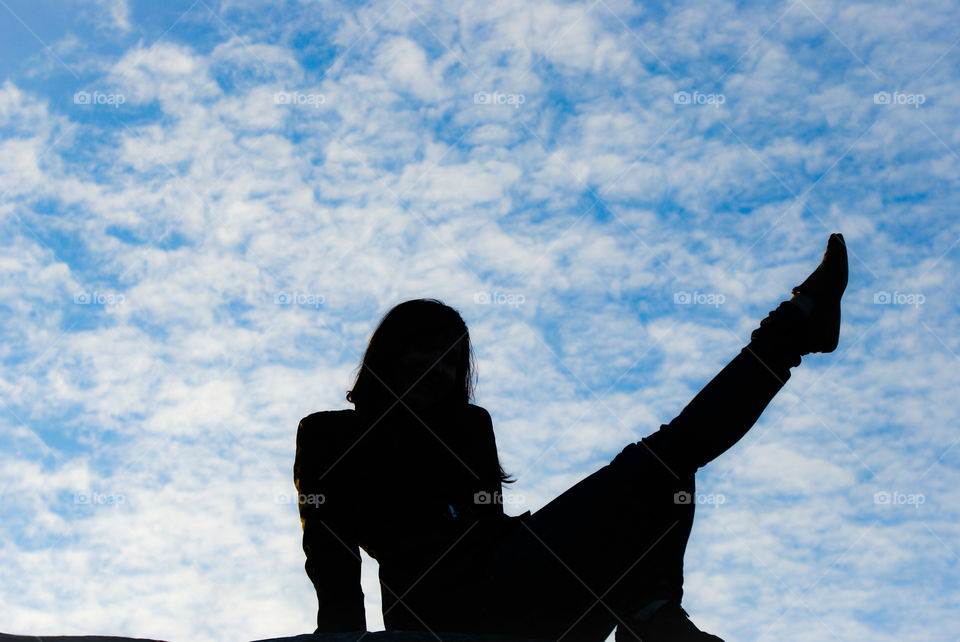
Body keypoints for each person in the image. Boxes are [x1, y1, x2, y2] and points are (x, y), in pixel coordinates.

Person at [293, 233, 848, 641]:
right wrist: (341, 637)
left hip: (526, 592)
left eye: (451, 361)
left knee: (663, 467)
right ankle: (794, 329)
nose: (439, 370)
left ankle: (653, 614)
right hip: (442, 616)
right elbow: (330, 551)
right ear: (388, 353)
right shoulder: (327, 435)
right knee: (660, 461)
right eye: (424, 351)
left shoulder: (467, 425)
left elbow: (484, 527)